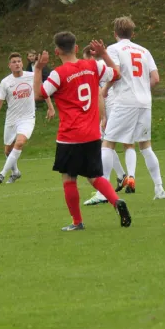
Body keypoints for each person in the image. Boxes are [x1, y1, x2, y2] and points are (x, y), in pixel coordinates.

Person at [33, 31, 131, 231]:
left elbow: (38, 94)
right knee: (94, 176)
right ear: (77, 48)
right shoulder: (93, 65)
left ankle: (77, 222)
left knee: (69, 178)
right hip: (92, 134)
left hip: (70, 136)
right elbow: (117, 74)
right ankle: (116, 201)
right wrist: (104, 54)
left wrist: (37, 69)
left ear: (56, 51)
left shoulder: (58, 73)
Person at [100, 17, 165, 200]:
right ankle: (159, 188)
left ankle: (103, 191)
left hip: (125, 101)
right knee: (145, 146)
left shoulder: (114, 49)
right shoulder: (144, 50)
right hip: (145, 102)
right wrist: (143, 89)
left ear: (115, 34)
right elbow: (155, 78)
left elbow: (116, 72)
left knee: (108, 142)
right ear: (133, 33)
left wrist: (105, 89)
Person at [0, 52, 55, 184]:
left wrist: (50, 107)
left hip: (28, 117)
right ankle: (15, 172)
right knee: (7, 150)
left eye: (18, 61)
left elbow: (43, 91)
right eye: (14, 62)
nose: (17, 64)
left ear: (22, 63)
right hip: (12, 119)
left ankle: (2, 173)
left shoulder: (32, 76)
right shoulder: (5, 82)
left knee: (20, 142)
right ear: (9, 66)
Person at [81, 44, 127, 206]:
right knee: (107, 144)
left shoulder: (97, 70)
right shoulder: (103, 69)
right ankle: (121, 176)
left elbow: (100, 94)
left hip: (110, 108)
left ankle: (107, 187)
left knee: (105, 144)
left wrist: (103, 117)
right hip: (112, 106)